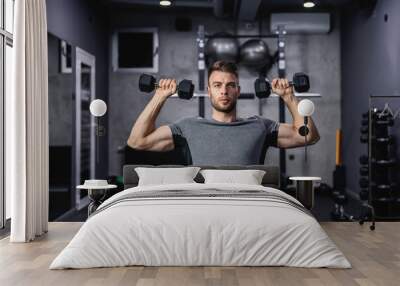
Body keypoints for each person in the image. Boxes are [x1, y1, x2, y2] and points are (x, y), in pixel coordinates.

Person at [127, 60, 320, 165]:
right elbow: (137, 141)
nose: (224, 91)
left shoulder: (260, 126)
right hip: (204, 207)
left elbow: (308, 136)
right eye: (217, 85)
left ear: (238, 90)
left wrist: (288, 96)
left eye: (230, 85)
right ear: (209, 90)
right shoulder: (187, 128)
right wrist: (159, 96)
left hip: (248, 206)